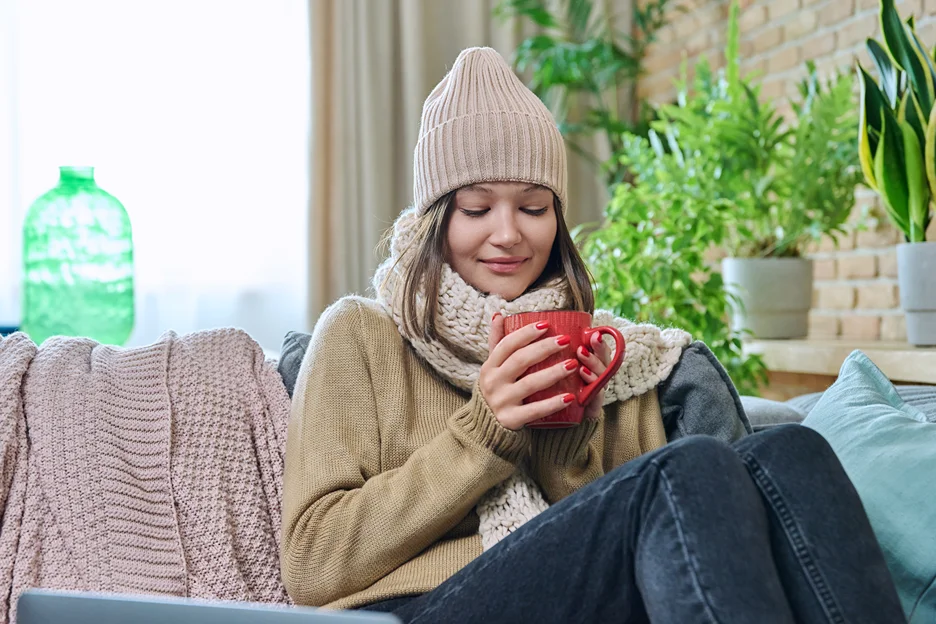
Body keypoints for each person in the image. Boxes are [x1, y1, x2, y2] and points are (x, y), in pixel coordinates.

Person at [281, 47, 905, 623]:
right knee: (682, 471)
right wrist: (484, 432)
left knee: (792, 451)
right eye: (476, 208)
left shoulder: (613, 356)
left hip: (578, 588)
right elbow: (312, 563)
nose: (509, 234)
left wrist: (558, 435)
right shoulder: (358, 335)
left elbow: (644, 540)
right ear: (435, 221)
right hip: (421, 605)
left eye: (533, 207)